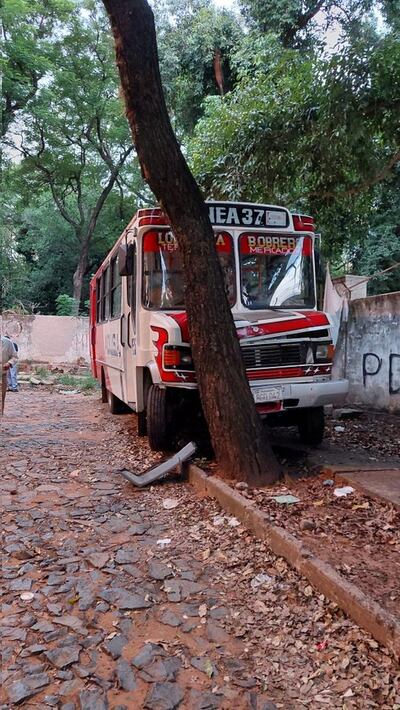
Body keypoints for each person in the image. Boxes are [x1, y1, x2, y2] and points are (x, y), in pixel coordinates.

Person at [1, 335, 18, 414]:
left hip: (2, 374)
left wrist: (9, 363)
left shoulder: (7, 342)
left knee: (1, 396)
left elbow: (14, 357)